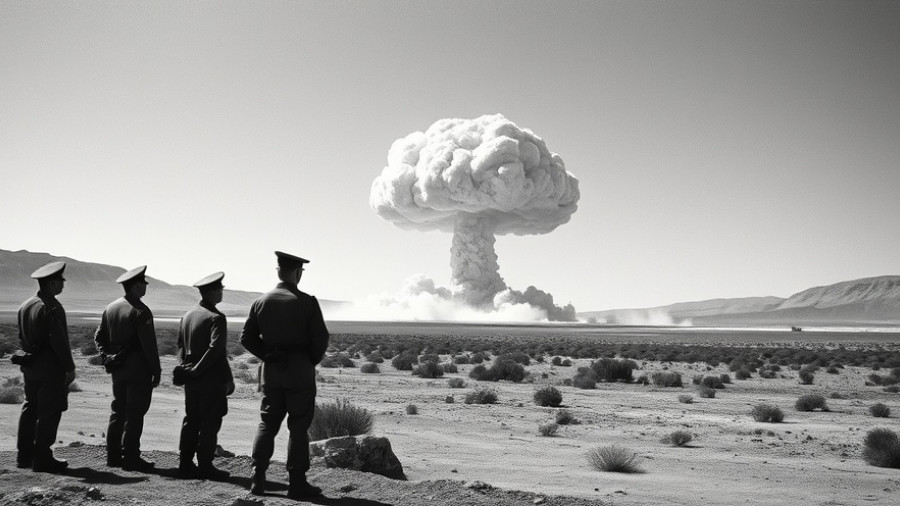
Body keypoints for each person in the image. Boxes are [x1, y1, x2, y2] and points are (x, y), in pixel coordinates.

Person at [240, 251, 329, 499]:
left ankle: (257, 478)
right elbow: (321, 338)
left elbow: (246, 338)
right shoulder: (307, 302)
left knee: (267, 423)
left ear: (278, 271)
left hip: (271, 373)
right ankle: (297, 482)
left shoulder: (261, 302)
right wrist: (309, 360)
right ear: (298, 273)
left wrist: (267, 355)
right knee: (299, 427)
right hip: (299, 372)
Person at [94, 265, 161, 472]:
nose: (145, 288)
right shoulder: (140, 310)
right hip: (138, 370)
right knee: (135, 414)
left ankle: (113, 456)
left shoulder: (111, 308)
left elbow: (99, 337)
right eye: (143, 284)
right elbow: (149, 345)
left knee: (118, 411)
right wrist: (156, 370)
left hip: (118, 369)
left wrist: (106, 356)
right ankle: (131, 456)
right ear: (136, 286)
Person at [15, 261, 76, 473]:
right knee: (50, 412)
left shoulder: (25, 305)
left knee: (30, 409)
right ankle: (43, 458)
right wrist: (69, 367)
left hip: (31, 369)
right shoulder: (51, 307)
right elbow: (59, 341)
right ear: (52, 283)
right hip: (51, 370)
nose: (63, 285)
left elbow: (22, 338)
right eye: (61, 281)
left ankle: (24, 456)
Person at [174, 271, 234, 481]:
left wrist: (186, 370)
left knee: (191, 420)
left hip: (191, 378)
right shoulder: (217, 317)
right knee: (210, 422)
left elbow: (180, 346)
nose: (221, 292)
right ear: (214, 291)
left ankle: (185, 463)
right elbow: (216, 350)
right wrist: (226, 379)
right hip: (209, 379)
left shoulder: (188, 315)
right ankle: (205, 466)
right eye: (220, 289)